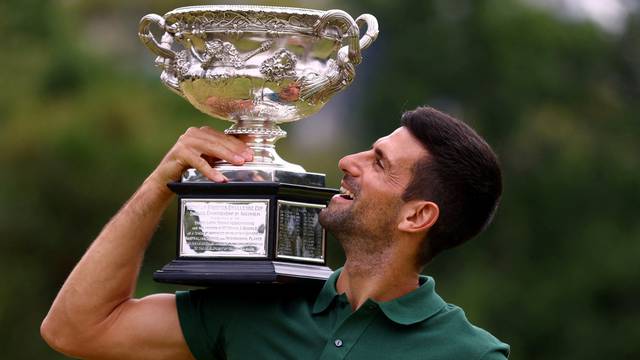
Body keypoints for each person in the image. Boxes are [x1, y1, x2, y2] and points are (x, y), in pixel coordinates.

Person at [41, 106, 510, 359]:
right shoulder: (255, 306)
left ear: (416, 216)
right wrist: (161, 183)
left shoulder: (470, 355)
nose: (349, 162)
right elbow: (76, 329)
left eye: (379, 163)